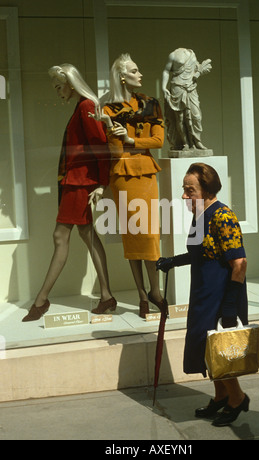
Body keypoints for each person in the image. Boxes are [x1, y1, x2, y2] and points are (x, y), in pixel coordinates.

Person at [156, 163, 249, 427]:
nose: (185, 196)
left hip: (221, 295)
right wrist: (172, 261)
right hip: (202, 293)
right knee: (205, 348)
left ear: (207, 190)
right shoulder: (200, 214)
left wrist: (230, 305)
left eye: (190, 191)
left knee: (219, 351)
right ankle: (220, 396)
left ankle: (237, 398)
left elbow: (239, 263)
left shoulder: (222, 216)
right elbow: (200, 254)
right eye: (184, 190)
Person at [22, 63, 115, 322]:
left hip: (80, 182)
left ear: (70, 84)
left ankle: (41, 300)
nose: (57, 92)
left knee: (60, 236)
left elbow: (100, 147)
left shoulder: (86, 107)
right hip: (74, 181)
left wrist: (101, 183)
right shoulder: (82, 107)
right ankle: (106, 295)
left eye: (58, 86)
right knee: (86, 234)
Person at [92, 53, 166, 318]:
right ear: (122, 76)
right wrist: (112, 129)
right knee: (132, 236)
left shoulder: (150, 103)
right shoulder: (108, 108)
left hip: (146, 173)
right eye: (135, 70)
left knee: (149, 235)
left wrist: (132, 140)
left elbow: (158, 140)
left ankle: (156, 291)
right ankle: (142, 296)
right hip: (121, 175)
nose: (140, 74)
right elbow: (111, 150)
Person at [162, 48, 212, 151]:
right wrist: (163, 87)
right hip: (177, 87)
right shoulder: (173, 55)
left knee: (196, 116)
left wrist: (200, 71)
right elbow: (166, 71)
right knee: (180, 118)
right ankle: (184, 143)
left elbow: (197, 67)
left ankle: (197, 141)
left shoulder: (191, 53)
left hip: (191, 87)